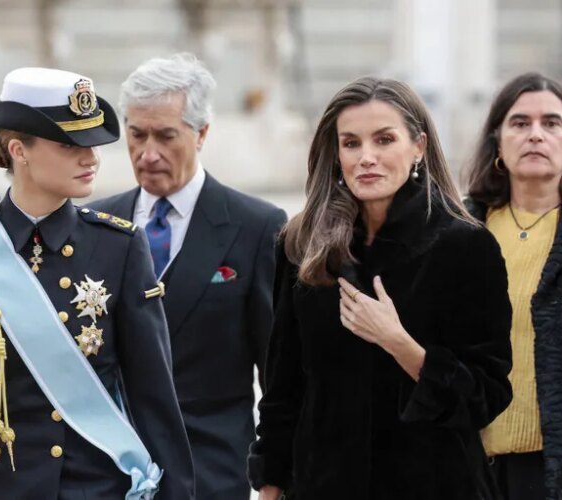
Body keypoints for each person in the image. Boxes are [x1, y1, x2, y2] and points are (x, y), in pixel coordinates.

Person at [0, 67, 195, 499]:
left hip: (92, 489)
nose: (91, 158)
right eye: (69, 144)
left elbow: (154, 402)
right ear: (18, 150)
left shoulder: (119, 246)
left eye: (93, 143)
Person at [248, 76, 514, 500]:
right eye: (351, 143)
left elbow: (487, 395)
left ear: (419, 147)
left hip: (435, 485)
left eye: (384, 140)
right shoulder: (303, 244)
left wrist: (400, 344)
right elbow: (282, 390)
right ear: (335, 154)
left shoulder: (466, 246)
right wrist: (269, 486)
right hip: (322, 485)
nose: (366, 157)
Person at [88, 53, 286, 500]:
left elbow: (279, 374)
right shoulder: (96, 223)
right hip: (109, 473)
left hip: (210, 473)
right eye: (136, 135)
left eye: (166, 136)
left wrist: (275, 477)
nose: (148, 153)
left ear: (202, 134)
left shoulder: (257, 228)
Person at [464, 72, 562, 500]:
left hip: (548, 467)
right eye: (520, 123)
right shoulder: (462, 231)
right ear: (497, 144)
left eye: (552, 123)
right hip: (469, 464)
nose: (536, 135)